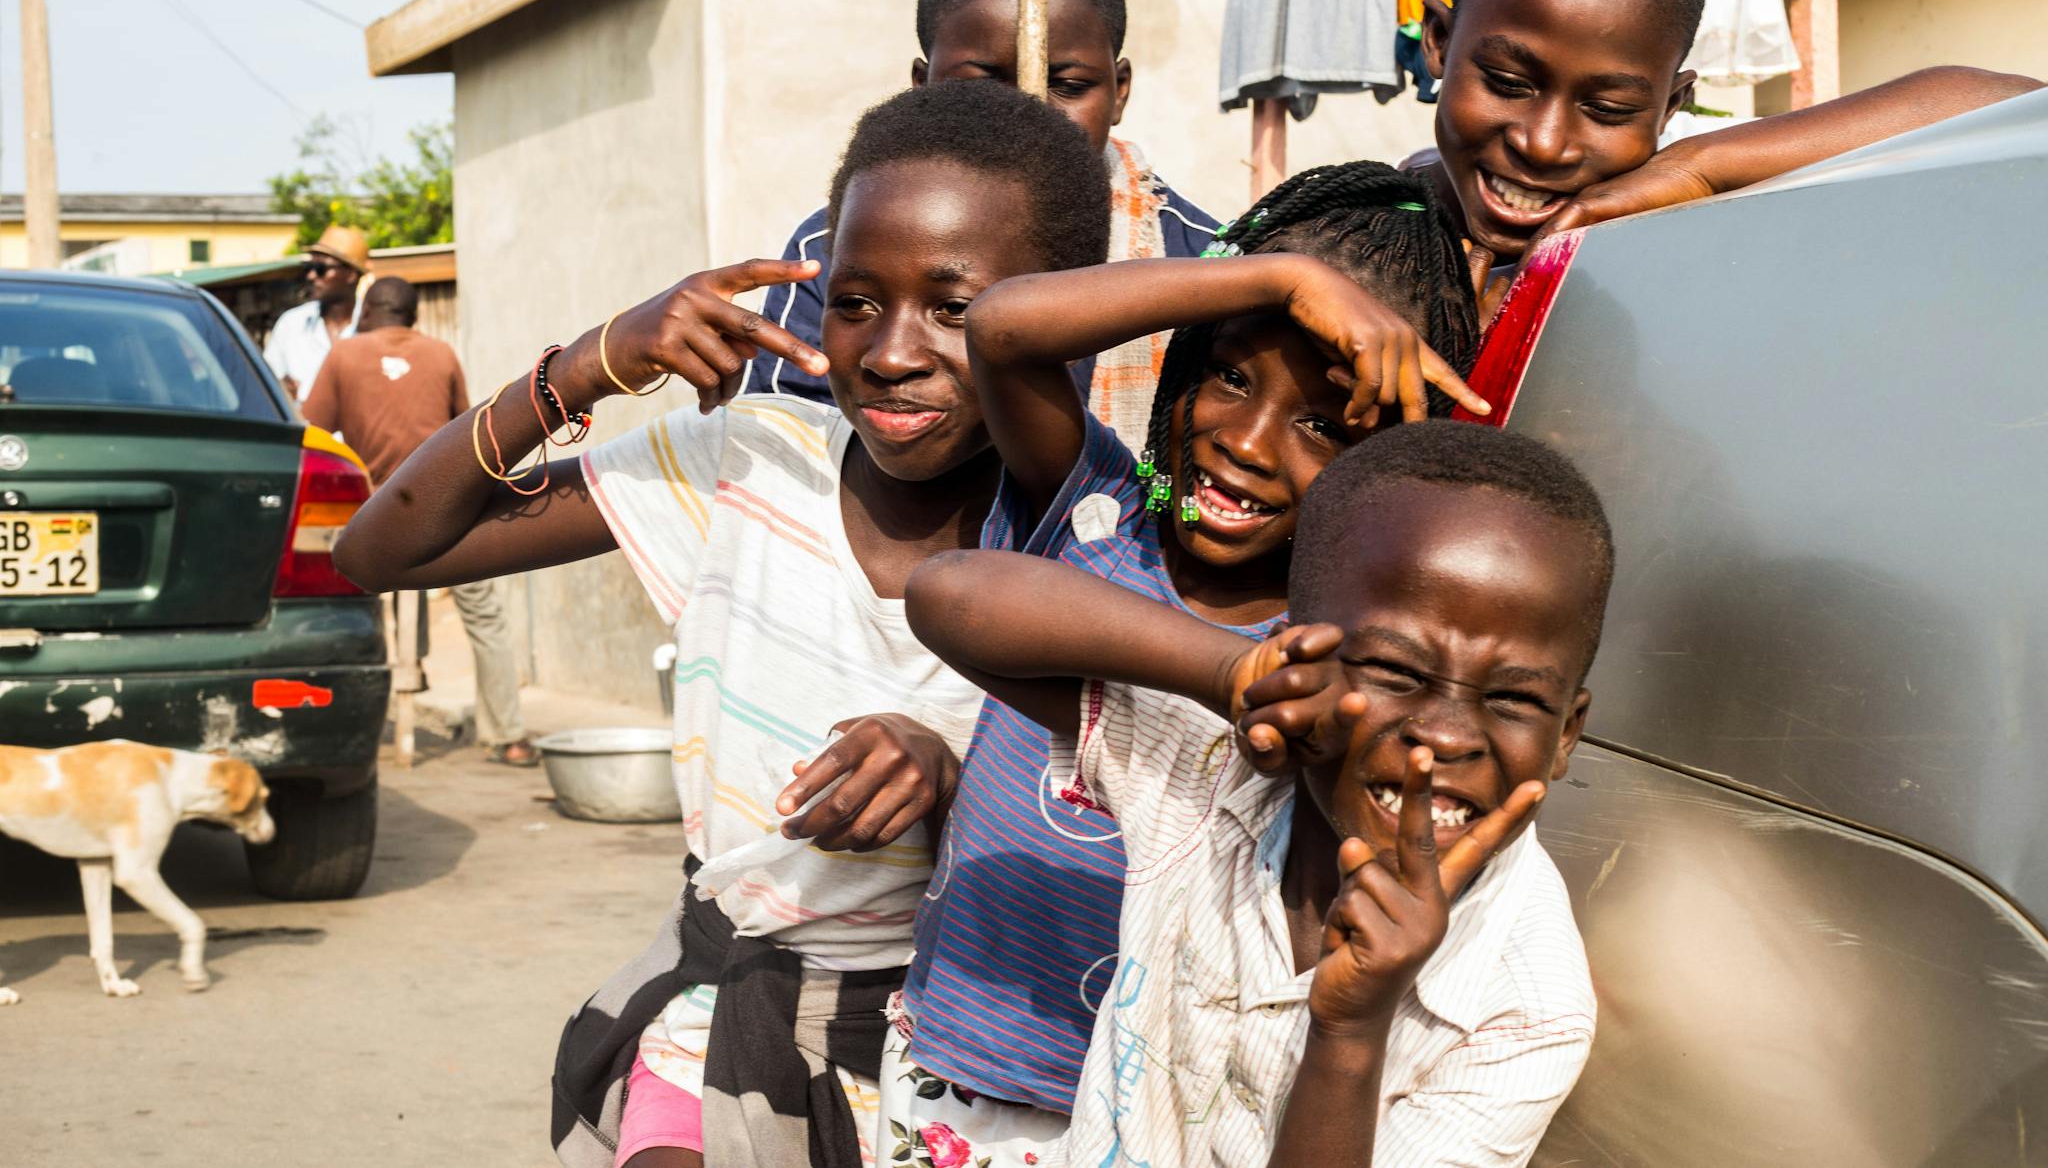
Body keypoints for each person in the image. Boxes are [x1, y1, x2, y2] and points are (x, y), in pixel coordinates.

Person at [334, 81, 1136, 1168]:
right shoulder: (751, 460)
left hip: (973, 1061)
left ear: (1060, 321)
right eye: (856, 301)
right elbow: (383, 551)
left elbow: (1130, 841)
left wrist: (950, 777)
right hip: (718, 1015)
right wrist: (588, 364)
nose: (890, 352)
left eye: (954, 310)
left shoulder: (1099, 544)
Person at [822, 163, 1489, 1164]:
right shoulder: (1103, 511)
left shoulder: (1326, 657)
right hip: (951, 1083)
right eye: (1230, 376)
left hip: (1150, 1123)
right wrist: (1278, 279)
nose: (1246, 442)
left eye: (1321, 424)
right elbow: (1001, 327)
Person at [903, 419, 1615, 1166]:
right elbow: (947, 594)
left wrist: (1349, 1033)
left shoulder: (1526, 1011)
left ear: (1567, 732)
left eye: (1513, 699)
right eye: (1396, 672)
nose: (1444, 736)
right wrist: (1227, 672)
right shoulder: (1216, 765)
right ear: (1295, 655)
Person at [1409, 0, 2041, 288]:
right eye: (1508, 84)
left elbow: (2015, 104)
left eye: (1608, 110)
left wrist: (1697, 169)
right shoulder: (1389, 212)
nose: (1545, 144)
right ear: (1438, 41)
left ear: (1671, 107)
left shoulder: (1691, 186)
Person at [742, 0, 1220, 452]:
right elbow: (796, 451)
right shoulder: (837, 251)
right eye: (983, 85)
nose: (1027, 115)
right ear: (923, 85)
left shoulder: (1204, 266)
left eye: (1066, 86)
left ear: (1120, 91)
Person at [301, 276, 536, 767]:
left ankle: (342, 720)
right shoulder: (442, 354)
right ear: (414, 316)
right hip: (451, 509)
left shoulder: (344, 355)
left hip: (377, 516)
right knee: (485, 616)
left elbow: (312, 432)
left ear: (368, 312)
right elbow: (468, 432)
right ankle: (508, 736)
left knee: (353, 603)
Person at [265, 224, 368, 402]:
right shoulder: (290, 325)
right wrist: (281, 389)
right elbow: (266, 387)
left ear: (351, 275)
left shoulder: (372, 326)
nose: (311, 276)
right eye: (309, 267)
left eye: (321, 269)